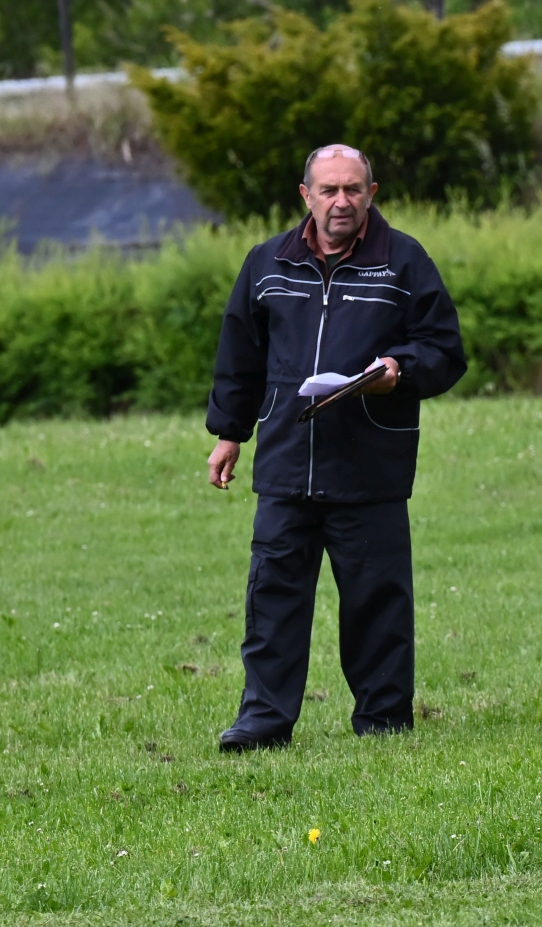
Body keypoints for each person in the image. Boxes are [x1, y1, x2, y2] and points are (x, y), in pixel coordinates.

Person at [206, 144, 466, 749]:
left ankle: (383, 721)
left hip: (370, 466)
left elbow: (445, 349)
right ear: (306, 196)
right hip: (285, 465)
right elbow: (240, 356)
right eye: (329, 190)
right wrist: (229, 433)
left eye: (353, 189)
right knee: (273, 601)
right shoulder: (267, 263)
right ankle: (263, 722)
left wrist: (401, 369)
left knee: (378, 603)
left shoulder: (403, 262)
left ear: (371, 193)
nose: (341, 201)